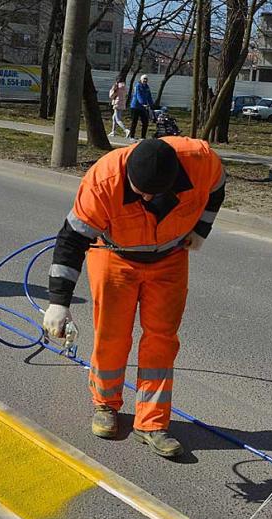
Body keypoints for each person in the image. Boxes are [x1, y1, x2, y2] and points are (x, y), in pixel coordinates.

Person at [43, 137, 226, 458]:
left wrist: (201, 230)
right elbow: (71, 240)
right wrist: (59, 303)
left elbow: (217, 188)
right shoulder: (104, 181)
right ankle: (105, 405)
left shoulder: (200, 160)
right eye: (139, 191)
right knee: (112, 336)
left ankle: (151, 423)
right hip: (114, 257)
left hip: (170, 258)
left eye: (152, 193)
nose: (145, 197)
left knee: (162, 339)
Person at [127, 74, 154, 140]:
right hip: (135, 106)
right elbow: (138, 95)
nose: (145, 80)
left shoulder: (147, 87)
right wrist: (143, 103)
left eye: (146, 79)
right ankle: (131, 136)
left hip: (143, 107)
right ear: (141, 80)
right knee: (134, 121)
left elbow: (149, 96)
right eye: (144, 79)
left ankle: (143, 137)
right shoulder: (137, 86)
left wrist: (152, 104)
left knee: (145, 122)